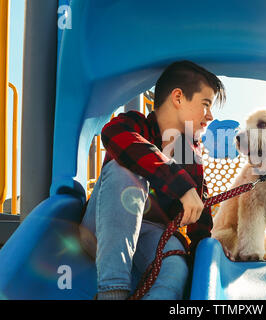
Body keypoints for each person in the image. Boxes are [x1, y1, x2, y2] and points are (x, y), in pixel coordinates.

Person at [79, 60, 226, 300]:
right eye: (206, 104)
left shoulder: (192, 157)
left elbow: (201, 220)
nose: (209, 116)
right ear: (178, 97)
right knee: (125, 169)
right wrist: (181, 186)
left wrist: (202, 263)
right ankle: (112, 292)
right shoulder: (134, 125)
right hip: (103, 228)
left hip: (152, 237)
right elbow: (116, 136)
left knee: (175, 268)